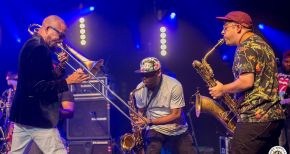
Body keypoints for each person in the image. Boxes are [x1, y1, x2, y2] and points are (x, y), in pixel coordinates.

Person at [9, 15, 89, 154]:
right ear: (47, 29)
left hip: (24, 116)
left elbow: (42, 80)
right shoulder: (39, 48)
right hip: (37, 117)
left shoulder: (35, 45)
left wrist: (60, 68)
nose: (61, 40)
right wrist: (68, 81)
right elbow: (38, 88)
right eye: (60, 34)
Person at [209, 11, 285, 154]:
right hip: (273, 117)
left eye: (225, 28)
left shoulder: (245, 47)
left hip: (255, 117)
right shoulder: (262, 44)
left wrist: (222, 89)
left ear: (238, 28)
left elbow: (246, 82)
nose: (222, 32)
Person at [134, 57, 196, 154]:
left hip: (177, 129)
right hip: (155, 129)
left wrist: (150, 121)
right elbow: (141, 111)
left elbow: (176, 115)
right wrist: (139, 126)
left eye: (148, 75)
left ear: (158, 73)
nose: (144, 79)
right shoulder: (139, 89)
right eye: (142, 75)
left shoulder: (174, 85)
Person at [278, 50, 290, 153]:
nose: (288, 64)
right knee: (280, 143)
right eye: (286, 61)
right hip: (277, 114)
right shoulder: (276, 72)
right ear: (282, 61)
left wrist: (284, 101)